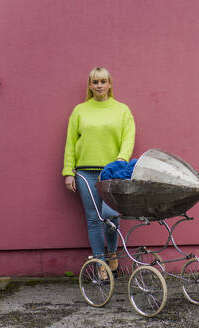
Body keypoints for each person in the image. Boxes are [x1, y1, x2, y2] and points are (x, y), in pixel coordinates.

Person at [62, 67, 135, 279]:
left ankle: (112, 253)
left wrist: (121, 160)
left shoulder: (122, 110)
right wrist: (68, 171)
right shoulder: (80, 111)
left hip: (112, 173)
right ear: (90, 86)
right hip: (85, 173)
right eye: (95, 82)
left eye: (103, 81)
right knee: (94, 219)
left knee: (111, 216)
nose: (100, 86)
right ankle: (100, 263)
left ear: (110, 84)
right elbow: (70, 143)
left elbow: (128, 138)